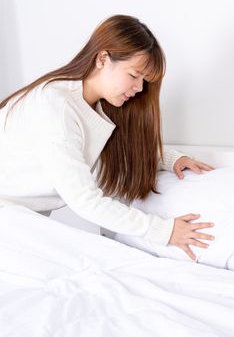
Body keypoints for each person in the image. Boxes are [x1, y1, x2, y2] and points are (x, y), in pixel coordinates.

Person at [0, 14, 214, 260]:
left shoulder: (94, 107)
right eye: (134, 75)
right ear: (102, 58)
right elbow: (85, 201)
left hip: (20, 223)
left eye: (144, 80)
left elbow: (118, 148)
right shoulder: (56, 106)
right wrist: (164, 231)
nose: (139, 88)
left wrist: (169, 159)